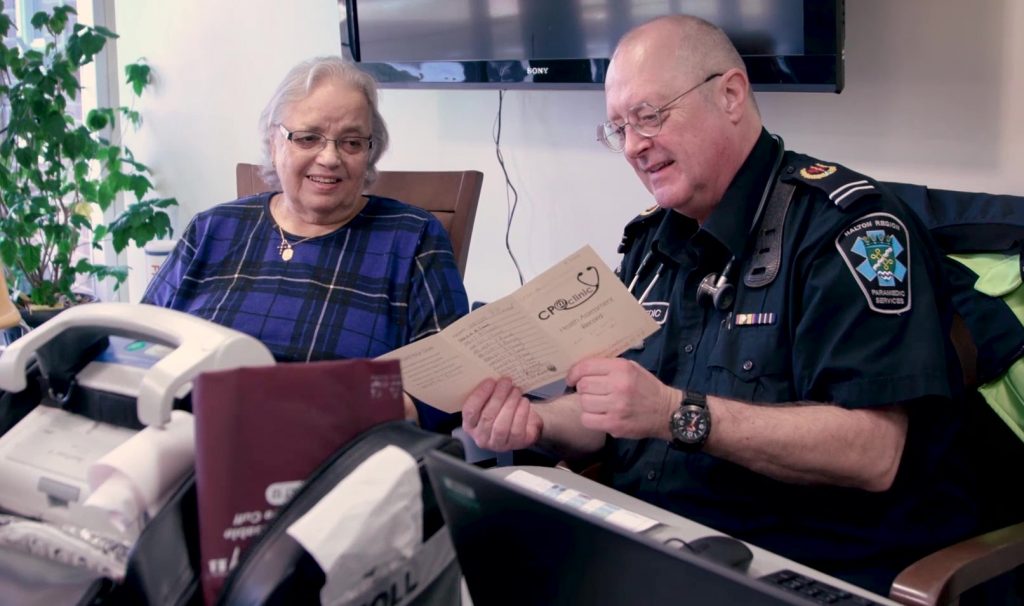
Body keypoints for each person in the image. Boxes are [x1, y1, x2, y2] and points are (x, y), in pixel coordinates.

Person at [460, 15, 979, 595]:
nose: (633, 146)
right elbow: (617, 413)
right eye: (618, 128)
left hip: (797, 568)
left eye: (649, 116)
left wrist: (675, 412)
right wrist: (537, 422)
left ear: (731, 94)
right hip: (644, 549)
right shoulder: (653, 243)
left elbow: (873, 452)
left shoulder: (851, 230)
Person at [143, 56, 469, 429]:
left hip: (338, 459)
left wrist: (382, 410)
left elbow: (454, 379)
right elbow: (140, 344)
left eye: (350, 142)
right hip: (186, 443)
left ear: (370, 151)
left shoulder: (413, 238)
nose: (329, 158)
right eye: (308, 137)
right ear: (274, 141)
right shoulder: (212, 229)